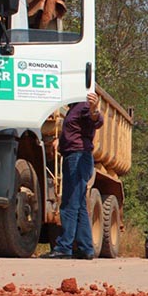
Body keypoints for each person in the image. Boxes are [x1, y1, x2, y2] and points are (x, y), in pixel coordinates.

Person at [42, 92, 103, 259]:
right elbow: (75, 130)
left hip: (78, 157)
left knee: (70, 203)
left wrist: (94, 109)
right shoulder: (73, 108)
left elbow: (96, 120)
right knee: (80, 205)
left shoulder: (83, 106)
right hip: (75, 156)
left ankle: (64, 247)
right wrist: (60, 141)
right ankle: (86, 248)